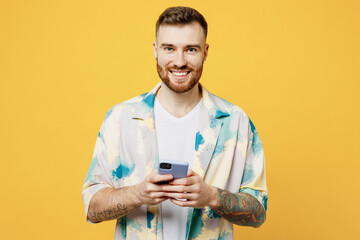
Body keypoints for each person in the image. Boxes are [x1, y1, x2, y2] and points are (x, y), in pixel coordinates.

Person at [82, 6, 267, 240]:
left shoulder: (236, 122)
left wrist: (212, 196)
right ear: (155, 50)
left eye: (191, 49)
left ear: (205, 52)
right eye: (169, 48)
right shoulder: (120, 119)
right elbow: (92, 208)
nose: (179, 62)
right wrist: (138, 194)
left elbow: (259, 213)